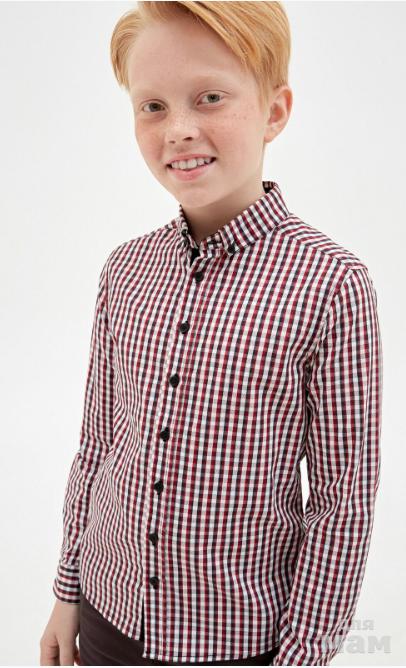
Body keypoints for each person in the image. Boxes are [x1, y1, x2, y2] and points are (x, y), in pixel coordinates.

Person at [40, 1, 383, 666]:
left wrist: (302, 657)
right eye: (153, 106)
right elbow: (98, 445)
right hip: (108, 616)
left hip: (235, 642)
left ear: (275, 111)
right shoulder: (125, 269)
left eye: (210, 98)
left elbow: (341, 503)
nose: (178, 130)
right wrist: (66, 591)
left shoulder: (331, 285)